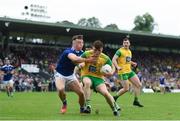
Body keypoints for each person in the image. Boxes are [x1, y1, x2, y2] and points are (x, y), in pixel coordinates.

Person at [54, 35, 96, 114]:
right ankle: (64, 103)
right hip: (60, 74)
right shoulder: (68, 51)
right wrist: (89, 60)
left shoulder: (82, 53)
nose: (81, 44)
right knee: (60, 89)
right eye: (79, 42)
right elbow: (75, 59)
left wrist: (83, 63)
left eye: (82, 42)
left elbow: (83, 62)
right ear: (74, 43)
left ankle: (82, 108)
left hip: (70, 75)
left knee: (81, 93)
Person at [77, 40, 120, 116]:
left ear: (102, 49)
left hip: (98, 78)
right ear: (93, 48)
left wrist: (111, 72)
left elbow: (113, 66)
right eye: (95, 50)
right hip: (86, 75)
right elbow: (78, 60)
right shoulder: (87, 54)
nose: (96, 52)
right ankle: (88, 105)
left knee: (106, 93)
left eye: (99, 50)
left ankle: (114, 109)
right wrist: (81, 64)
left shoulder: (105, 58)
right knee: (87, 83)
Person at [112, 37, 143, 107]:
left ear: (129, 44)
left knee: (139, 85)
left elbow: (127, 60)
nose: (126, 44)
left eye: (127, 43)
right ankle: (115, 97)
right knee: (126, 89)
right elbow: (113, 59)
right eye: (124, 43)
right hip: (123, 72)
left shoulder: (129, 51)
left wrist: (132, 63)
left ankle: (136, 101)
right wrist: (117, 67)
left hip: (129, 71)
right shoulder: (119, 51)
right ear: (123, 44)